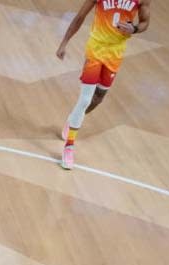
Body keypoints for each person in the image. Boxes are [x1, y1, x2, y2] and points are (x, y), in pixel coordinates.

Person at [56, 0, 151, 169]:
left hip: (115, 53)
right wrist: (64, 42)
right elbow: (80, 17)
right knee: (85, 99)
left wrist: (134, 28)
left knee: (97, 99)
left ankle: (72, 120)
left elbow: (145, 22)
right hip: (96, 48)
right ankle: (69, 147)